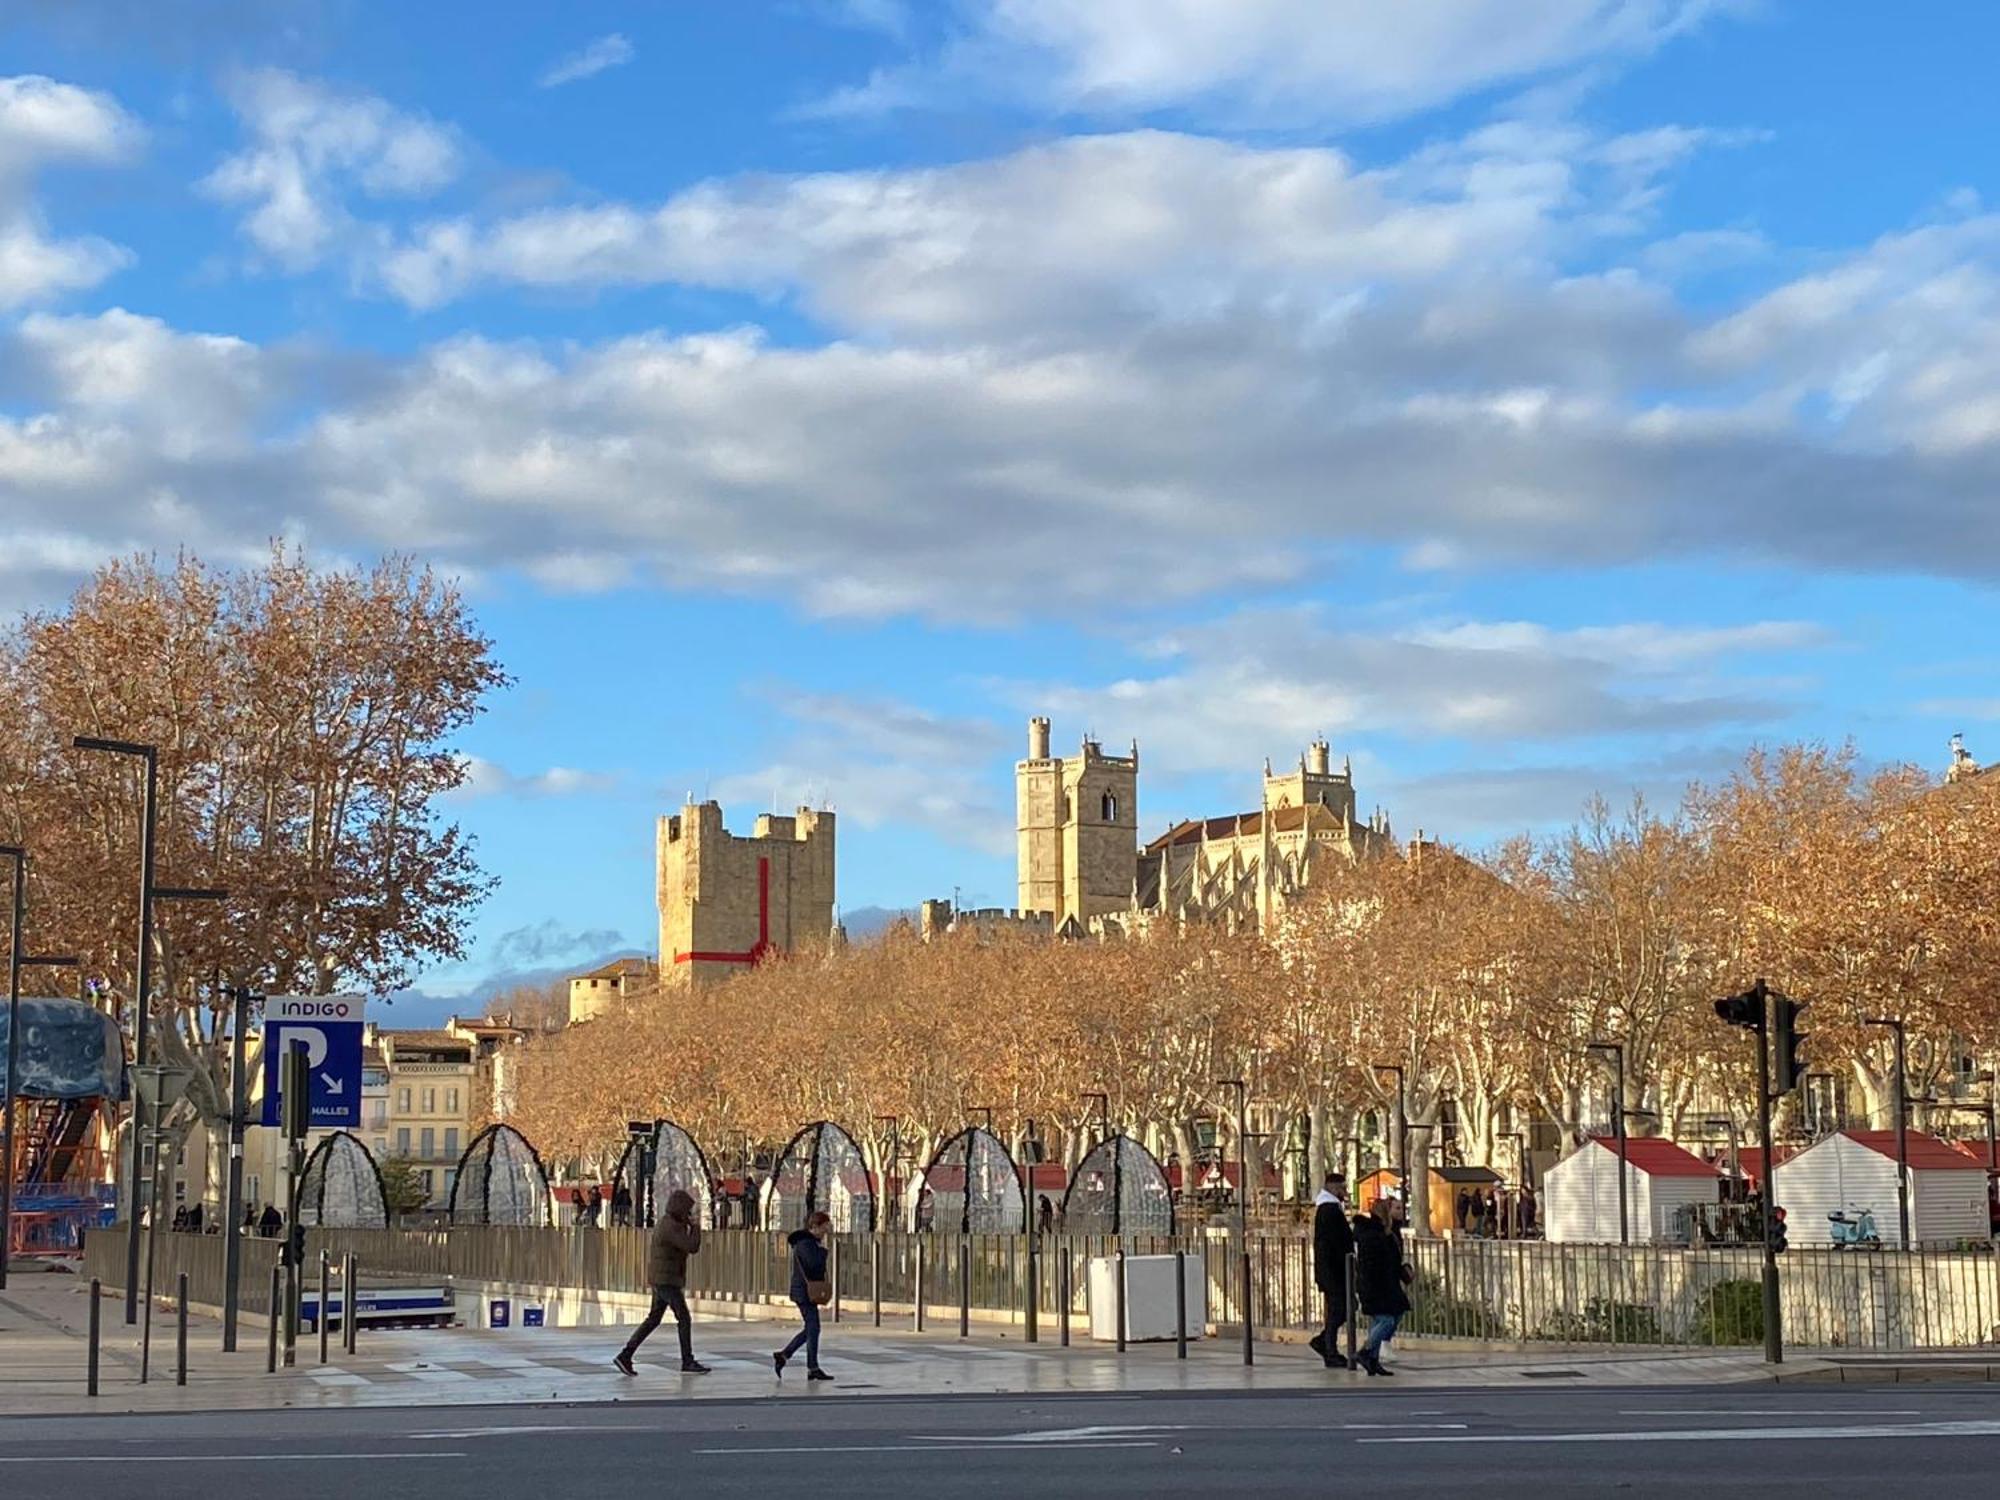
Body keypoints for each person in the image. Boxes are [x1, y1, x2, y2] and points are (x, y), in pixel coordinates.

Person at [612, 1188, 709, 1375]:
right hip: (667, 1280)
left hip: (662, 1278)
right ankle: (687, 1361)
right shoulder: (670, 1227)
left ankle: (626, 1355)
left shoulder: (669, 1224)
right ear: (680, 1209)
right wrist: (696, 1227)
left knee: (653, 1319)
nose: (689, 1214)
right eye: (687, 1211)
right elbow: (692, 1246)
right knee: (684, 1318)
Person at [1352, 1193, 1412, 1377]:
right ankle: (1367, 1351)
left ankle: (1373, 1359)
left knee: (1386, 1317)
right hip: (1378, 1284)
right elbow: (1377, 1262)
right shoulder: (1375, 1235)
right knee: (1386, 1319)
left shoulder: (1383, 1233)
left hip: (1384, 1282)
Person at [774, 1210, 833, 1383]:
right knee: (813, 1327)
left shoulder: (809, 1242)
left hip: (805, 1291)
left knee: (812, 1327)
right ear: (814, 1226)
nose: (826, 1230)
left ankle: (787, 1356)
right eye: (824, 1226)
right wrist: (823, 1252)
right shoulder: (806, 1244)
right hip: (804, 1292)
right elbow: (814, 1265)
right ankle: (809, 1366)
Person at [1308, 1170, 1355, 1369]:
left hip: (1333, 1269)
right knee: (1341, 1308)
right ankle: (1329, 1347)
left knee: (1342, 1307)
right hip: (1334, 1270)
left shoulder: (1330, 1208)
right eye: (1342, 1187)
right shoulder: (1329, 1210)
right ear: (1333, 1188)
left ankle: (1326, 1342)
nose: (1345, 1191)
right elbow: (1334, 1242)